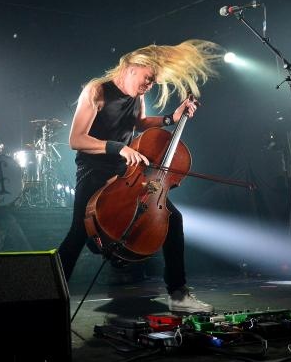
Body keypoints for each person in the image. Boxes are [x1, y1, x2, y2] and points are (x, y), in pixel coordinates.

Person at [57, 40, 220, 313]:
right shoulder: (97, 90)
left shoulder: (137, 95)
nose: (151, 84)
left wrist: (171, 117)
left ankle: (178, 294)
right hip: (95, 169)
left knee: (172, 218)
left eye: (154, 80)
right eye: (149, 78)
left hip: (127, 171)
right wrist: (118, 148)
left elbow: (139, 123)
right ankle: (50, 294)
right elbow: (76, 139)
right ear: (133, 67)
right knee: (78, 231)